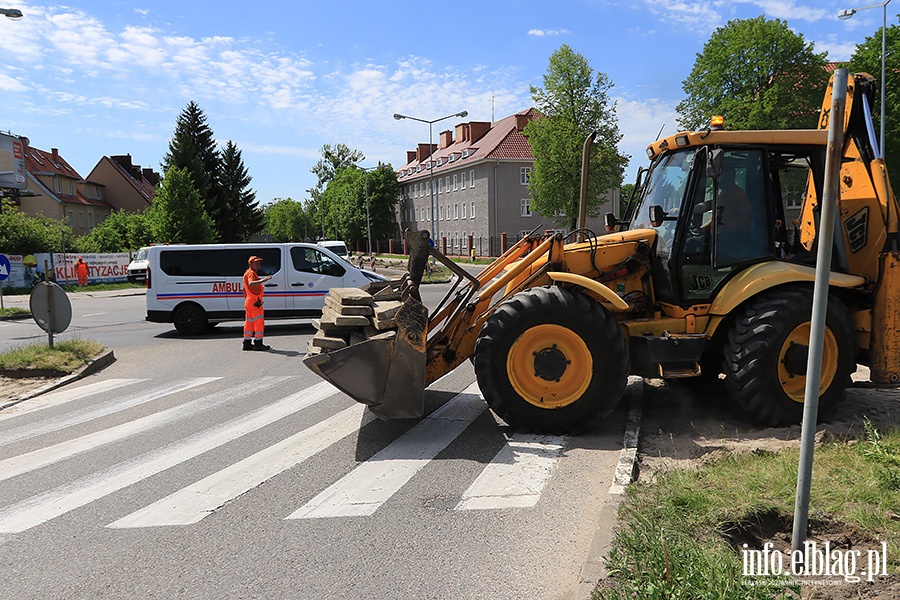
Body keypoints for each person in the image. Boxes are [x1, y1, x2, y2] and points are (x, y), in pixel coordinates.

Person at [243, 256, 272, 351]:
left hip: (249, 301)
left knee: (249, 323)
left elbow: (245, 289)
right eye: (256, 263)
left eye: (259, 263)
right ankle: (258, 343)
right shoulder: (251, 273)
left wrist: (248, 299)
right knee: (258, 323)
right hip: (255, 302)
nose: (259, 265)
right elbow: (251, 284)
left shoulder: (247, 273)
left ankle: (247, 343)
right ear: (251, 264)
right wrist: (264, 280)